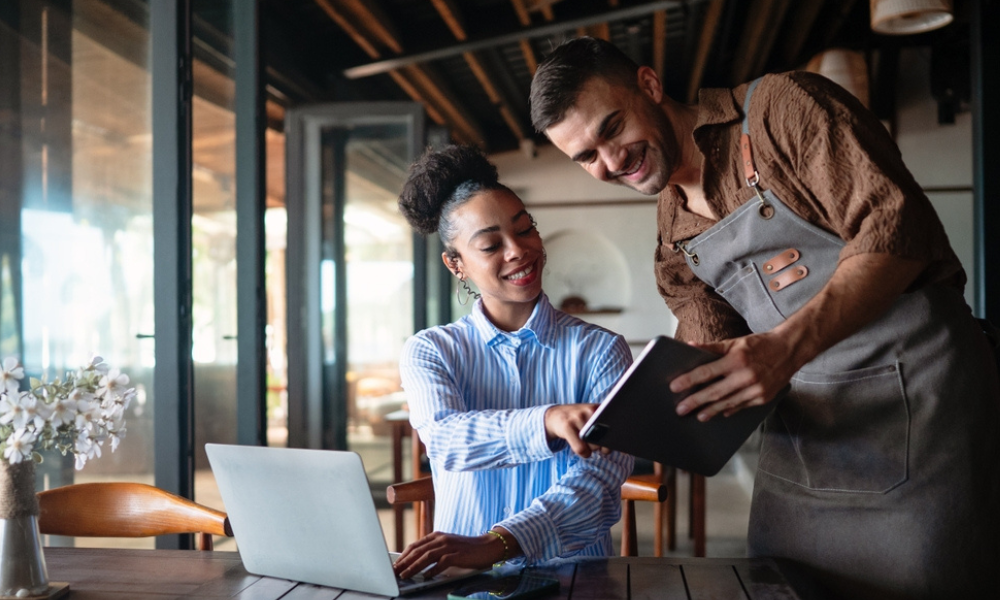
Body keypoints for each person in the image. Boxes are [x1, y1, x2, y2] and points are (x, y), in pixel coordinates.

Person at [529, 37, 1000, 599]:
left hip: (923, 408)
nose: (610, 161)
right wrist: (632, 417)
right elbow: (705, 350)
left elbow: (897, 232)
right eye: (586, 157)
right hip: (811, 439)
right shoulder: (672, 229)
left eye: (612, 128)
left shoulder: (781, 109)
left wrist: (783, 349)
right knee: (783, 586)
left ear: (649, 86)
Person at [391, 144, 634, 580]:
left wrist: (500, 542)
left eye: (525, 229)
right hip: (465, 582)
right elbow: (447, 440)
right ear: (456, 264)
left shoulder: (602, 350)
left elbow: (598, 483)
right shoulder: (431, 350)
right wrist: (547, 420)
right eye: (490, 245)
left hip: (572, 578)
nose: (518, 250)